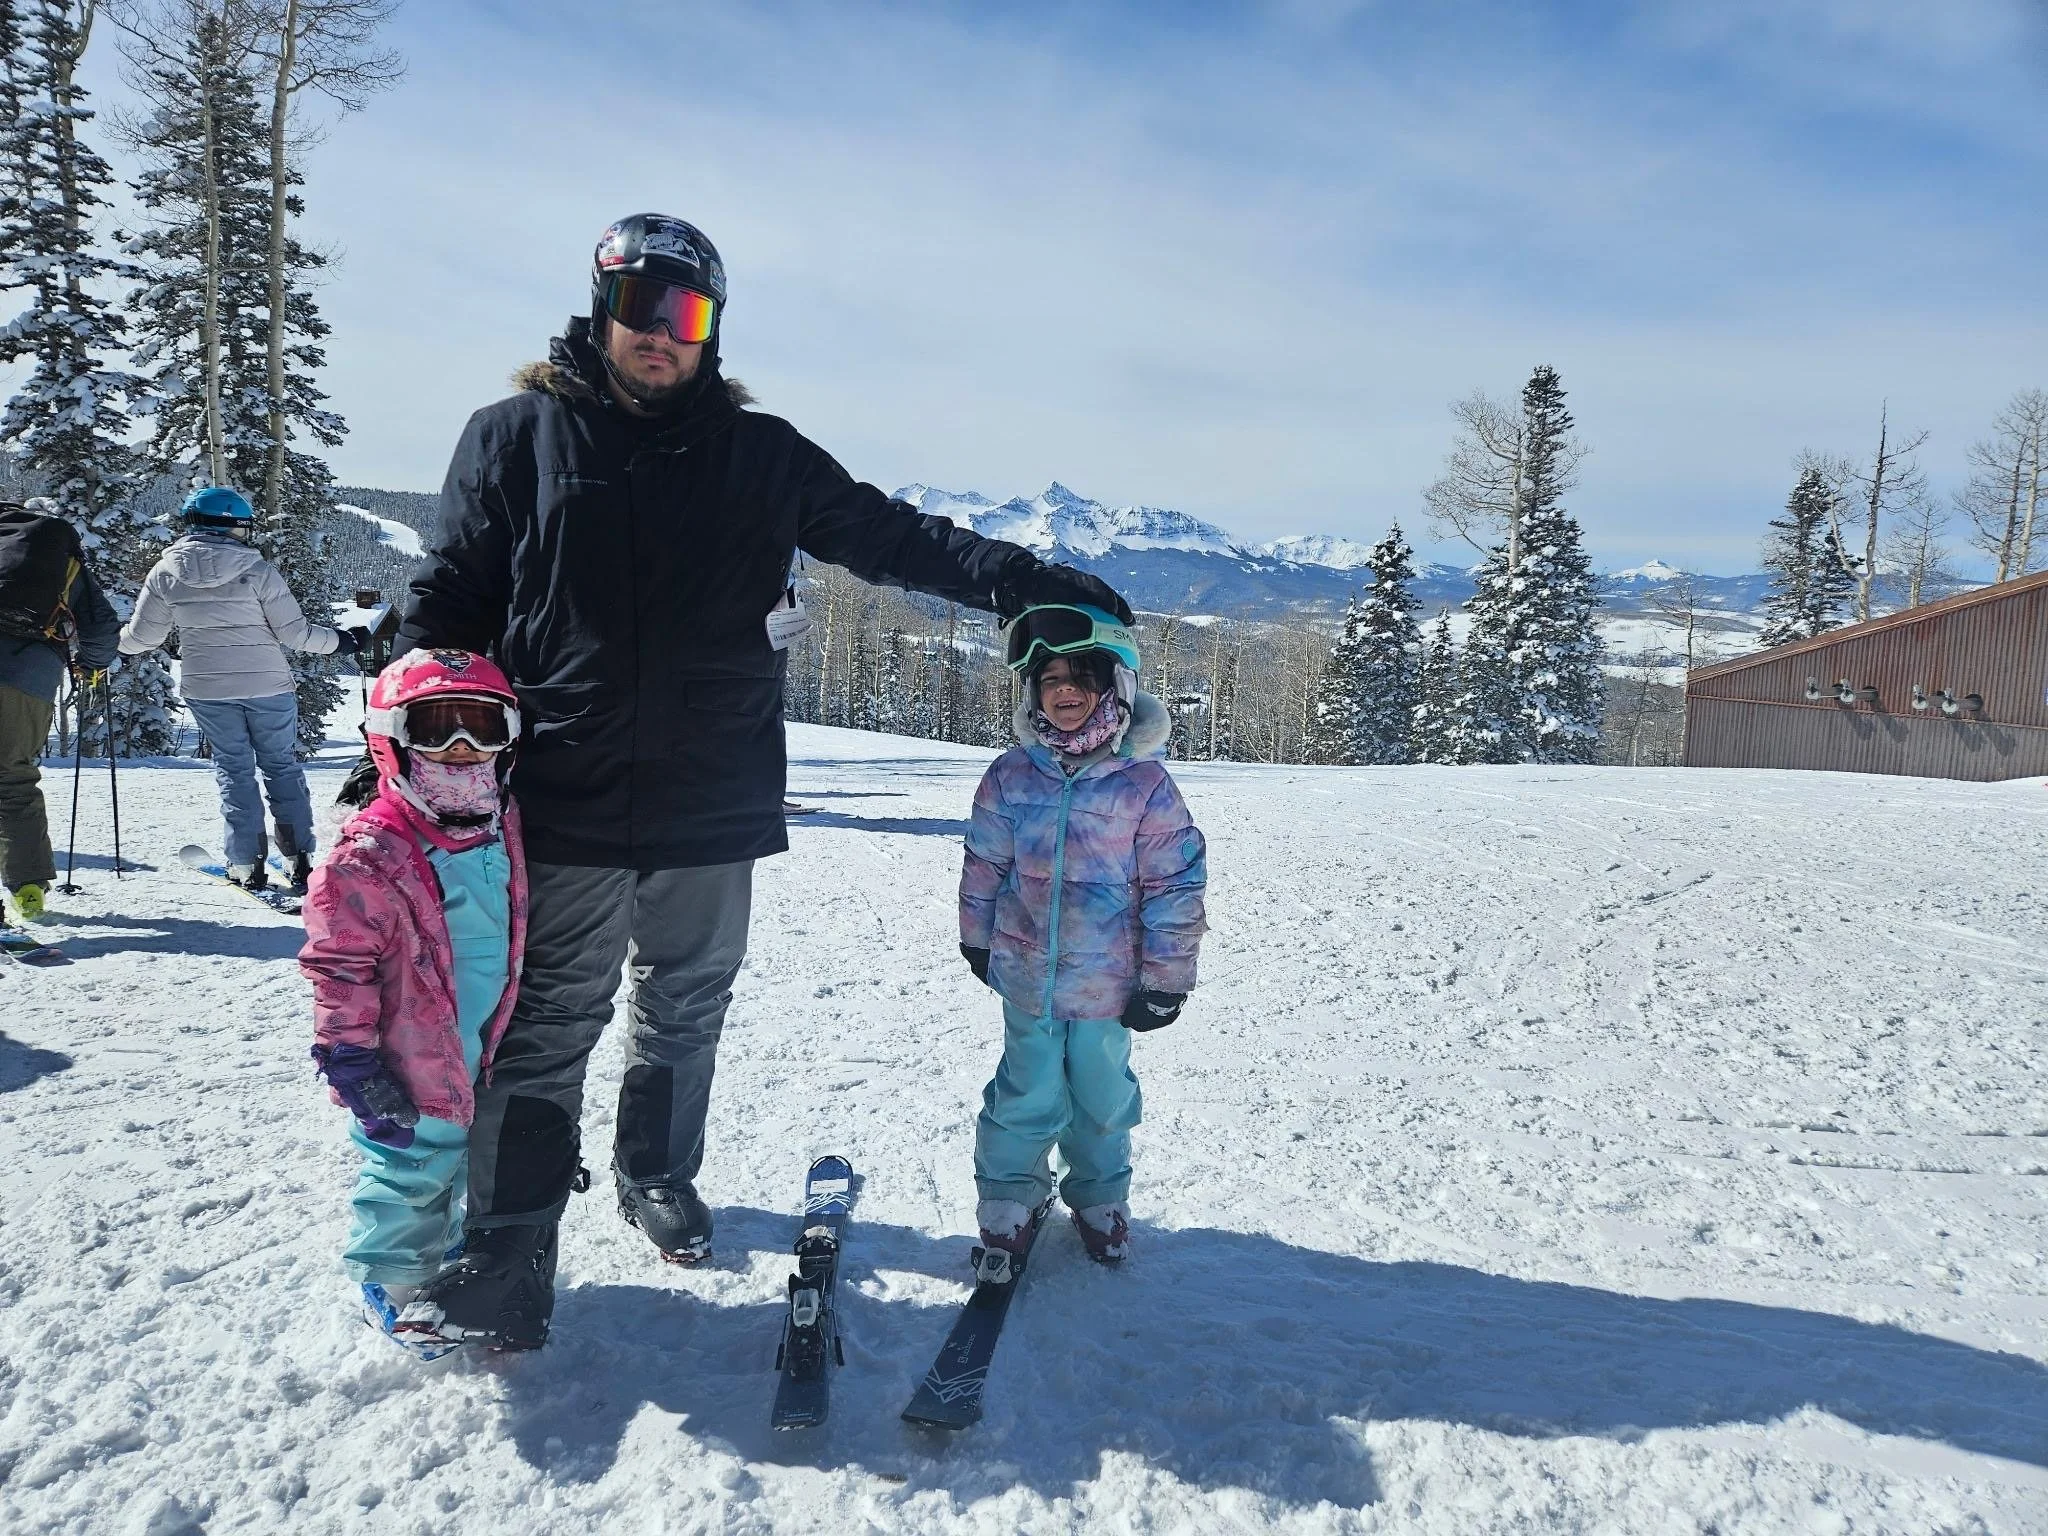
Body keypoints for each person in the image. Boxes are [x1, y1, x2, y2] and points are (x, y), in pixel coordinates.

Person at [392, 211, 1133, 1349]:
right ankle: (508, 1249)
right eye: (637, 307)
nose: (658, 333)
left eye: (683, 314)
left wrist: (1027, 576)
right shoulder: (516, 435)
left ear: (711, 331)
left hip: (710, 791)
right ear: (601, 313)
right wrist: (408, 720)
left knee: (684, 1008)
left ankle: (656, 1174)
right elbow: (448, 598)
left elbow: (897, 538)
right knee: (545, 1025)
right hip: (567, 788)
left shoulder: (762, 453)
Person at [958, 604, 1207, 1265]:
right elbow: (985, 861)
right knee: (1026, 1086)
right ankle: (1011, 1193)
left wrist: (1165, 981)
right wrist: (977, 936)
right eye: (1050, 679)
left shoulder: (1146, 785)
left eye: (1082, 677)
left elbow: (1175, 887)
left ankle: (1098, 1194)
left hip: (1107, 982)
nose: (1064, 691)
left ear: (1116, 687)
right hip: (1026, 971)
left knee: (1101, 1092)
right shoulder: (1011, 775)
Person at [297, 648, 529, 1354]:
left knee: (461, 1162)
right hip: (409, 1058)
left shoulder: (502, 824)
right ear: (391, 741)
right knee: (407, 1166)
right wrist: (350, 1058)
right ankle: (390, 1278)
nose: (462, 752)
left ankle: (447, 1266)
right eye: (437, 731)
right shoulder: (366, 856)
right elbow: (338, 966)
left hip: (476, 1046)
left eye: (481, 730)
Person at [120, 486, 368, 890]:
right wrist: (346, 641)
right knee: (281, 768)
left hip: (207, 689)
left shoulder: (165, 573)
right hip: (268, 685)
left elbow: (143, 638)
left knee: (234, 772)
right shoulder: (257, 571)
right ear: (237, 526)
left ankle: (245, 863)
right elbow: (296, 634)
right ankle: (299, 858)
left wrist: (103, 644)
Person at [0, 498, 120, 923]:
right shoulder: (50, 542)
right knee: (12, 778)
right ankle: (28, 889)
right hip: (26, 670)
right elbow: (101, 623)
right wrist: (92, 664)